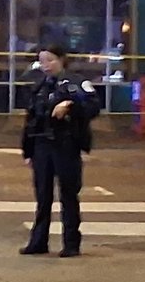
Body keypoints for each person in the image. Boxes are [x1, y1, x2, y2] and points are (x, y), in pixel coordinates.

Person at [19, 44, 101, 258]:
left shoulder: (76, 83)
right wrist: (27, 151)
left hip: (66, 145)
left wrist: (70, 105)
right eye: (42, 61)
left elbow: (93, 108)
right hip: (42, 147)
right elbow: (30, 121)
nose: (46, 65)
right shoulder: (40, 86)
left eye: (50, 60)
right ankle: (38, 242)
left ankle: (71, 243)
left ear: (62, 60)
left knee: (68, 195)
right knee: (43, 197)